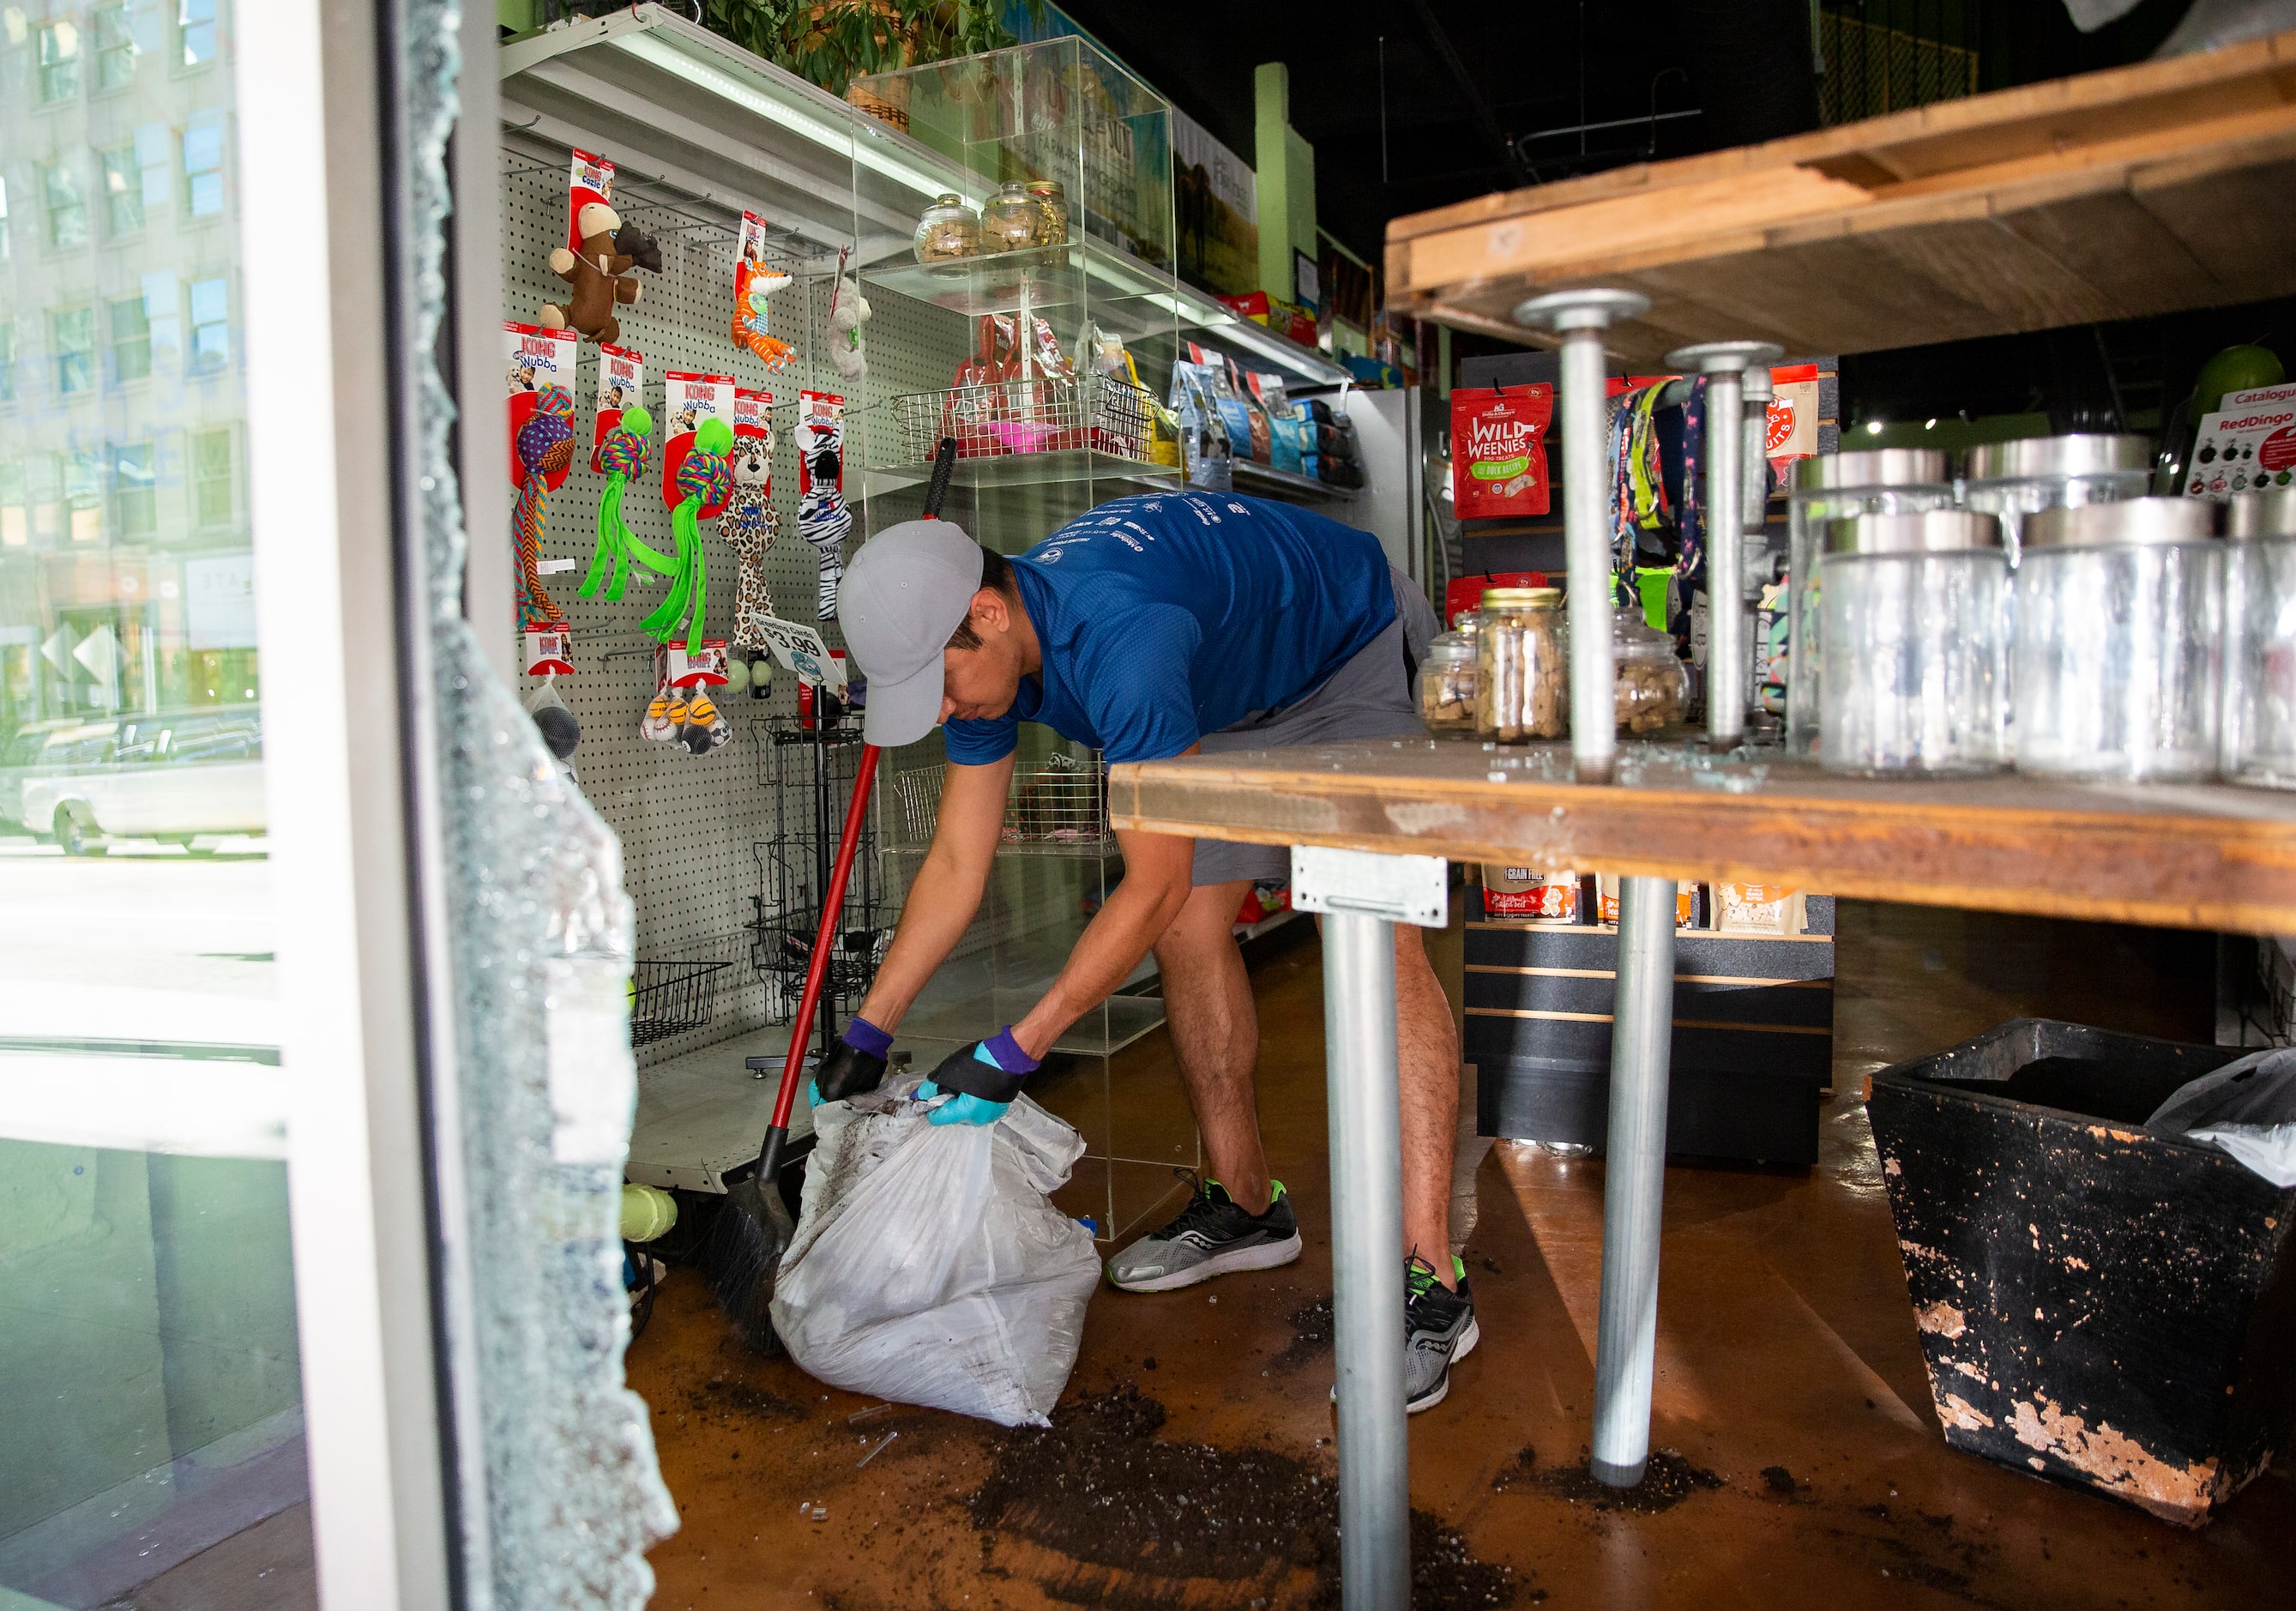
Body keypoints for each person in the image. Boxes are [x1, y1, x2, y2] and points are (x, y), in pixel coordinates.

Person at [819, 491, 1476, 1413]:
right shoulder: (983, 660)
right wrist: (870, 1032)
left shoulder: (1123, 639)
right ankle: (1247, 1206)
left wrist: (1017, 1050)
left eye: (939, 686)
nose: (937, 712)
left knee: (1370, 938)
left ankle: (1430, 1275)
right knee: (1185, 928)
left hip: (1338, 658)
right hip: (1215, 693)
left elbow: (1150, 878)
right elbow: (960, 858)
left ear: (989, 615)